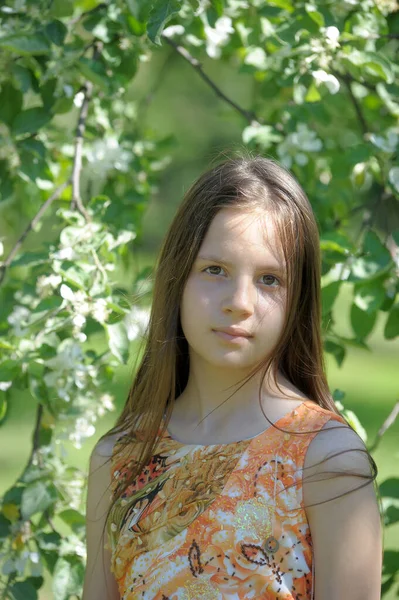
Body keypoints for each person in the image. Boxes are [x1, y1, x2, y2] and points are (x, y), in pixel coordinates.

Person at [82, 153, 383, 600]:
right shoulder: (120, 458)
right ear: (177, 279)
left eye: (269, 279)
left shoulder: (326, 460)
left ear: (297, 299)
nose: (239, 302)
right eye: (215, 270)